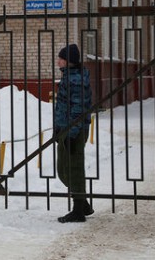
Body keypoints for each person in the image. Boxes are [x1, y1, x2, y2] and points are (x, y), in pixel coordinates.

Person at [54, 44, 93, 223]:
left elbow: (79, 109)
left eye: (61, 58)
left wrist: (72, 133)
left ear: (69, 61)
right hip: (66, 129)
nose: (58, 61)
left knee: (73, 168)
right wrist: (58, 126)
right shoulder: (69, 76)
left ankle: (78, 210)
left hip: (74, 130)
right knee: (63, 170)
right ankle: (82, 203)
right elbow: (63, 105)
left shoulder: (76, 79)